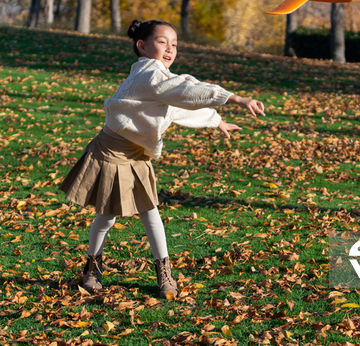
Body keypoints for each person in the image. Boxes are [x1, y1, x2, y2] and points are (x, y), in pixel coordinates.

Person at [58, 19, 265, 298]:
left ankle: (163, 272)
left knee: (151, 213)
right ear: (141, 46)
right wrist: (233, 98)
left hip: (136, 155)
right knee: (106, 216)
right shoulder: (149, 76)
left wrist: (216, 121)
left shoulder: (160, 80)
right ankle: (92, 268)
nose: (170, 48)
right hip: (112, 152)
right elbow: (185, 90)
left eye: (174, 44)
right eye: (162, 42)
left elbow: (177, 106)